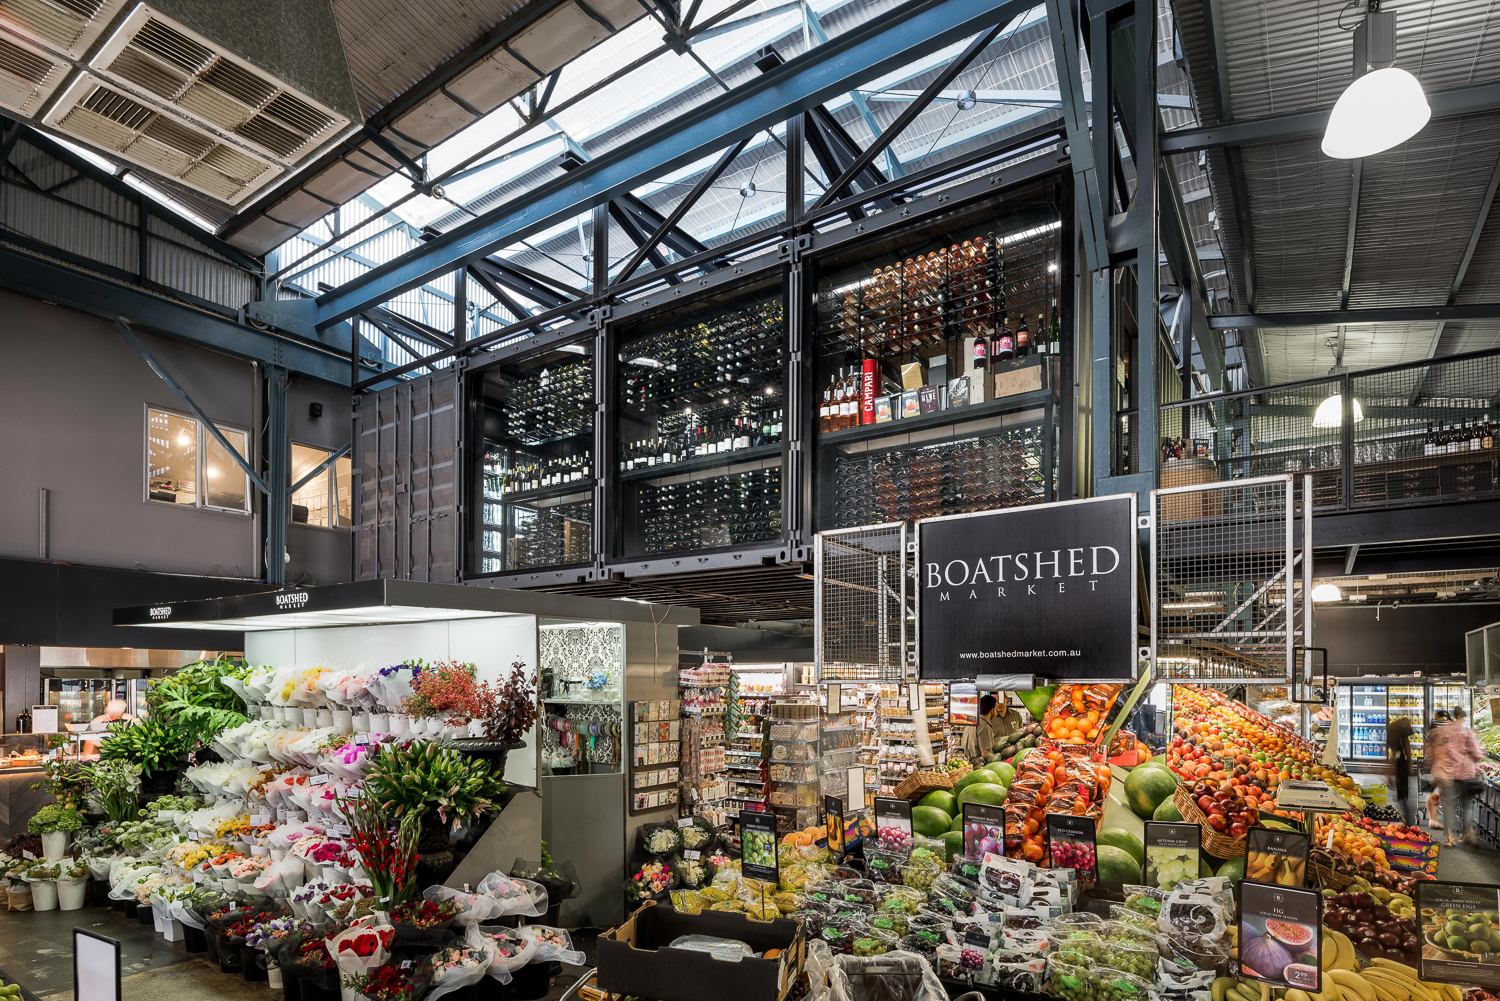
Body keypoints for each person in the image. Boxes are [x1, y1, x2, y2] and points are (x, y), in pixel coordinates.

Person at [1427, 706, 1484, 846]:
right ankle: (1466, 834)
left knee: (1450, 806)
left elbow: (1430, 755)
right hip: (1466, 773)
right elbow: (1477, 755)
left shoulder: (1436, 732)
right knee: (1467, 805)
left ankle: (1449, 838)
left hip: (1445, 773)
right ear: (1461, 718)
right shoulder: (1466, 732)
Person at [1386, 716, 1414, 825]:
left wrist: (1390, 774)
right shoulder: (1400, 734)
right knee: (1403, 793)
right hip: (1403, 765)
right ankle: (1407, 818)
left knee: (1401, 794)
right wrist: (1410, 763)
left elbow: (1393, 755)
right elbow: (1407, 746)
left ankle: (1406, 819)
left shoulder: (1393, 732)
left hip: (1400, 767)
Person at [1425, 710, 1450, 830]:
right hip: (1438, 763)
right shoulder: (1443, 729)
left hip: (1431, 762)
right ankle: (1433, 819)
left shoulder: (1432, 728)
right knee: (1436, 789)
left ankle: (1432, 819)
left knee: (1431, 790)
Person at [963, 695, 1000, 762]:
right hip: (979, 765)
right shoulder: (984, 726)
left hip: (968, 763)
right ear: (992, 710)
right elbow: (985, 754)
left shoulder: (971, 721)